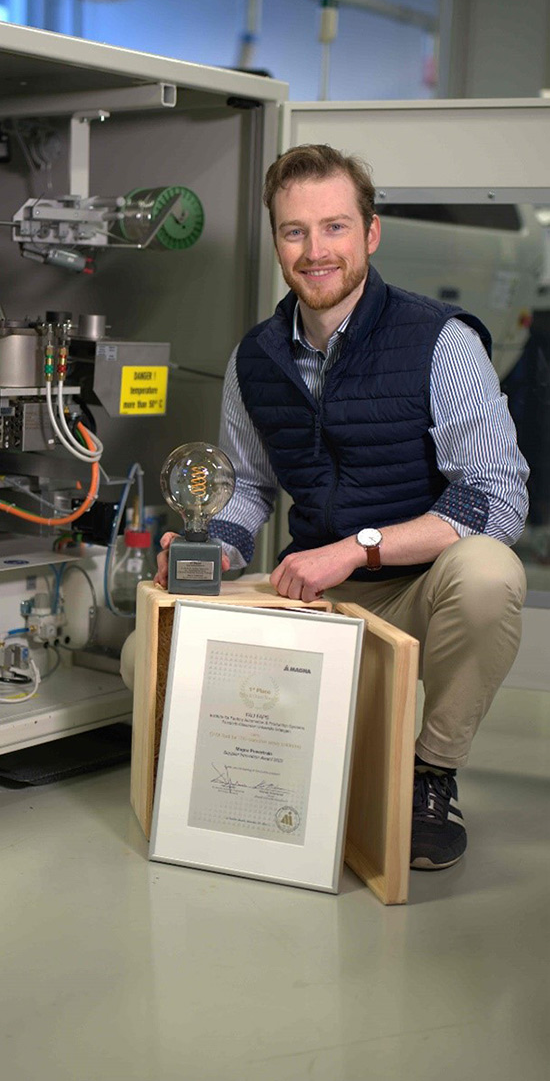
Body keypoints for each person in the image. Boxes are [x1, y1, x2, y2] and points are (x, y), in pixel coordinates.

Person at [155, 143, 529, 871]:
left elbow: (497, 498)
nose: (315, 250)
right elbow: (251, 484)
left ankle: (431, 774)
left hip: (417, 586)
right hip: (310, 596)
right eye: (296, 231)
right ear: (276, 241)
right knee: (148, 657)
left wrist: (358, 547)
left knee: (490, 574)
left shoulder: (441, 342)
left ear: (371, 233)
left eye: (334, 228)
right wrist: (216, 549)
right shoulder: (254, 358)